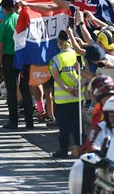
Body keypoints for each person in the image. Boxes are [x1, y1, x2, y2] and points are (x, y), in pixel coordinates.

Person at [0, 0, 34, 129]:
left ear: (3, 8)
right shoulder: (22, 19)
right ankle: (30, 121)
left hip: (9, 58)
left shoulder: (3, 25)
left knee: (11, 91)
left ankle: (14, 121)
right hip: (23, 57)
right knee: (25, 89)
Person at [49, 30, 84, 158]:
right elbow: (84, 73)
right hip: (78, 96)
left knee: (64, 127)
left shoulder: (56, 59)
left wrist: (67, 89)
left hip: (62, 99)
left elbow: (57, 78)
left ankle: (63, 150)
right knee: (77, 126)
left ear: (59, 43)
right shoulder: (78, 55)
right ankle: (81, 149)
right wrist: (76, 88)